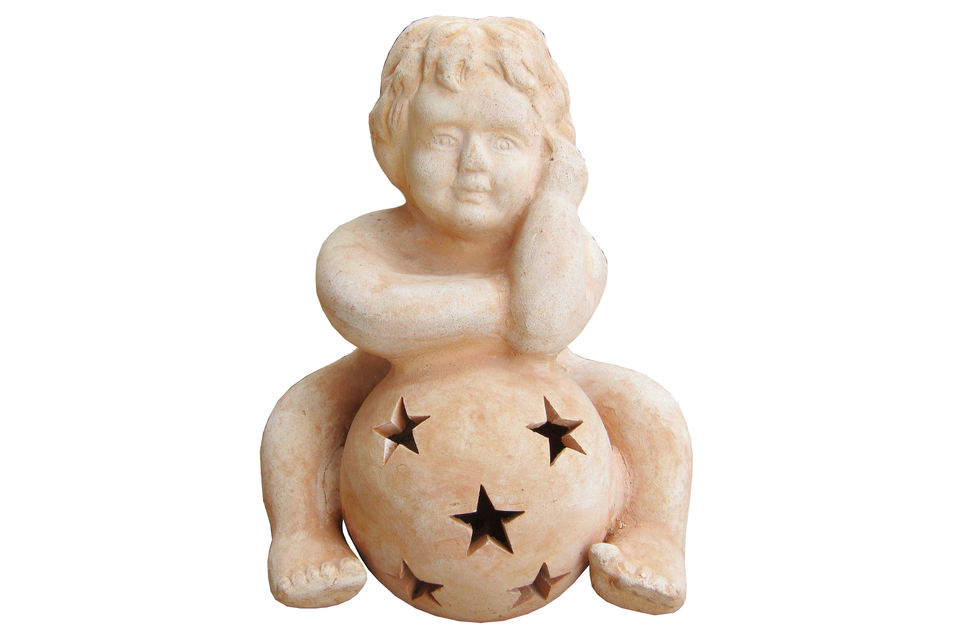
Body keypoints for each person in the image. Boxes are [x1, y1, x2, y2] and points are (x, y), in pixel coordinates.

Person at [261, 16, 691, 615]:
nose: (473, 162)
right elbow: (367, 311)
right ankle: (305, 532)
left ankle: (650, 535)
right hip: (384, 379)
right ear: (392, 145)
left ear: (549, 152)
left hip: (552, 378)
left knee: (648, 409)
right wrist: (506, 304)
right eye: (443, 137)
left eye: (505, 141)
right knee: (303, 415)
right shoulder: (365, 241)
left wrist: (556, 204)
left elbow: (545, 328)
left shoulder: (559, 238)